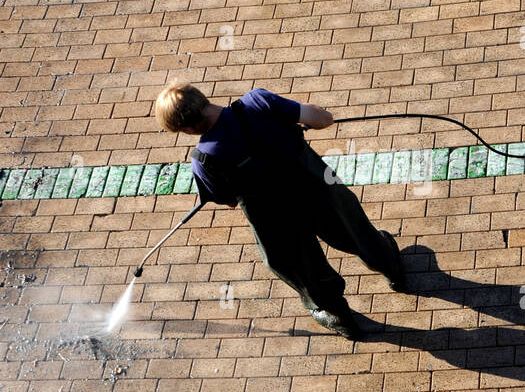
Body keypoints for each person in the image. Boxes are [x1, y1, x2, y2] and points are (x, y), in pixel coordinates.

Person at [154, 82, 406, 339]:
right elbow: (323, 119)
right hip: (315, 186)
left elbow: (228, 200)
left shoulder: (203, 161)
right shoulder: (257, 102)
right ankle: (390, 265)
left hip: (272, 216)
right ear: (202, 98)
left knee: (301, 265)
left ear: (186, 128)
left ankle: (339, 316)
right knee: (352, 228)